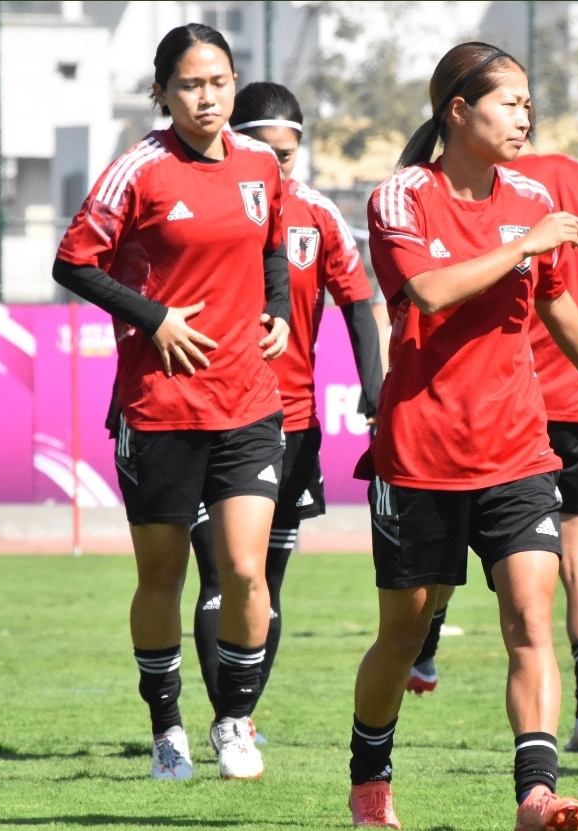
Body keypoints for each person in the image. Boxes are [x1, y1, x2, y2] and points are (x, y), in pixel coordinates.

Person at [348, 41, 578, 831]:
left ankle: (535, 794)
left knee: (529, 619)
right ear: (458, 110)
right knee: (403, 634)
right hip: (420, 455)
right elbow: (428, 291)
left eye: (528, 105)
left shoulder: (529, 196)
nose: (525, 117)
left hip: (518, 449)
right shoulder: (402, 197)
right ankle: (369, 778)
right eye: (510, 102)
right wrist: (520, 245)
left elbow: (554, 300)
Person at [53, 24, 290, 781]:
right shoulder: (139, 169)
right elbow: (73, 262)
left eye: (218, 81)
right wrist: (155, 318)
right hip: (160, 407)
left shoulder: (260, 163)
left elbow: (273, 245)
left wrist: (279, 309)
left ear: (234, 83)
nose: (207, 97)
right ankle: (166, 729)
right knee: (163, 577)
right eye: (190, 84)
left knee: (246, 572)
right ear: (163, 92)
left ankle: (234, 722)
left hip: (248, 402)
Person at [404, 129, 578, 759]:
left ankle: (426, 656)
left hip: (499, 402)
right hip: (573, 402)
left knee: (444, 564)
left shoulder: (494, 188)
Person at [188, 82, 382, 736]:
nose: (276, 164)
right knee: (221, 575)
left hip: (291, 422)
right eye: (264, 152)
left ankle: (238, 719)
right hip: (207, 416)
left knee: (264, 582)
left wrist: (375, 391)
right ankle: (228, 723)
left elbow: (358, 303)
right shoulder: (197, 202)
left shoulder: (317, 214)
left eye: (287, 154)